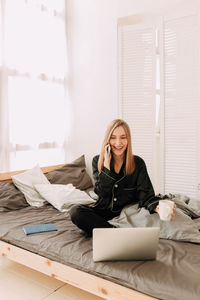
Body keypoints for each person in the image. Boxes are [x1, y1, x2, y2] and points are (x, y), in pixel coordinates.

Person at [69, 119, 176, 236]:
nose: (118, 143)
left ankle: (107, 232)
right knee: (76, 211)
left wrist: (157, 207)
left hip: (129, 214)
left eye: (123, 137)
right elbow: (101, 192)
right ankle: (115, 233)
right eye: (113, 137)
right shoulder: (97, 161)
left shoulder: (138, 163)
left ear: (128, 139)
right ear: (107, 140)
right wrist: (106, 166)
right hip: (103, 211)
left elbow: (145, 194)